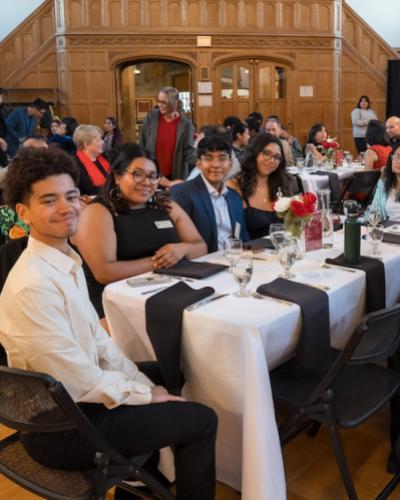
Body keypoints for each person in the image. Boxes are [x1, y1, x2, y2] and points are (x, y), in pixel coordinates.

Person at [0, 146, 217, 500]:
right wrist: (146, 394)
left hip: (79, 403)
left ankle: (138, 482)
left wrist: (144, 386)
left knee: (170, 371)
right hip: (63, 430)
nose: (67, 208)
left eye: (71, 196)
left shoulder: (64, 261)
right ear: (23, 213)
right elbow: (76, 380)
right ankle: (145, 473)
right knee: (202, 421)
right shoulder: (32, 286)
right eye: (49, 200)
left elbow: (100, 347)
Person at [73, 143, 207, 317]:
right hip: (117, 305)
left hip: (167, 294)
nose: (146, 182)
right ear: (117, 176)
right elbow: (105, 272)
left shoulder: (166, 206)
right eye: (137, 174)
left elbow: (200, 246)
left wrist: (181, 249)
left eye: (153, 176)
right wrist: (162, 261)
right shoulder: (98, 211)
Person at [170, 134, 250, 253]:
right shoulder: (182, 194)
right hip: (201, 265)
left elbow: (242, 238)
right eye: (208, 158)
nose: (216, 165)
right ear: (199, 164)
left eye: (222, 158)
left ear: (230, 164)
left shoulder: (234, 198)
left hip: (234, 261)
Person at [228, 133, 295, 239]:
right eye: (267, 153)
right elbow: (236, 233)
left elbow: (293, 225)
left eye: (277, 157)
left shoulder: (282, 183)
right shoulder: (236, 186)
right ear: (254, 154)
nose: (272, 160)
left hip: (282, 248)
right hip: (251, 251)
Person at [140, 86, 197, 185]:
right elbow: (142, 142)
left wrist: (201, 162)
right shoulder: (151, 117)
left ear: (175, 103)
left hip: (175, 175)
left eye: (164, 102)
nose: (160, 105)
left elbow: (188, 151)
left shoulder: (186, 124)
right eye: (159, 101)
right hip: (151, 173)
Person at [73, 124, 111, 196]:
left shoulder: (105, 157)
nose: (102, 142)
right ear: (86, 144)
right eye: (98, 140)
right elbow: (88, 190)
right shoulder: (75, 164)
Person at [366, 143, 400, 221]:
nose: (398, 161)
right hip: (387, 230)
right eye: (396, 156)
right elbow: (373, 210)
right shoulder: (384, 183)